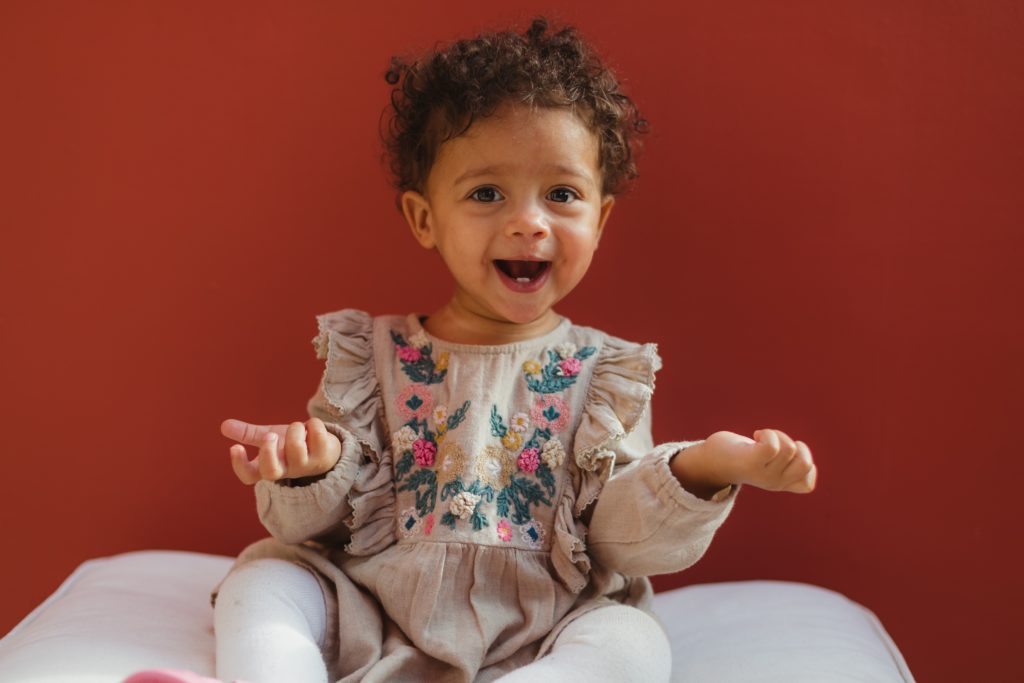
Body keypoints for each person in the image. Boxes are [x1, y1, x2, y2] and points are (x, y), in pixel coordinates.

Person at [126, 16, 816, 683]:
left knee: (631, 638)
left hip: (543, 619)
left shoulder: (605, 374)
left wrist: (700, 468)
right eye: (487, 192)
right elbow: (321, 521)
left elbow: (621, 539)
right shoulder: (371, 357)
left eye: (562, 194)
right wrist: (312, 468)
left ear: (601, 217)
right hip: (376, 608)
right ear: (425, 219)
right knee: (265, 573)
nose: (528, 221)